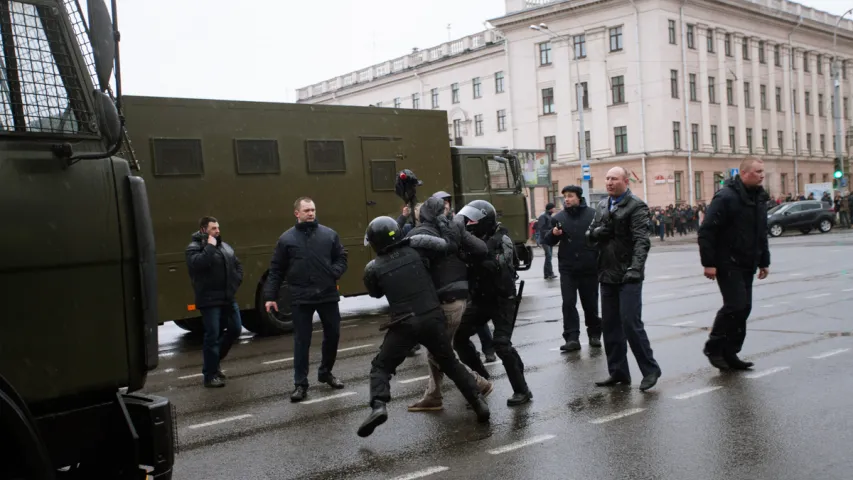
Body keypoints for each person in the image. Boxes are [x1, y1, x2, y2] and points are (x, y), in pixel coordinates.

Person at [358, 216, 490, 437]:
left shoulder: (374, 268)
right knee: (449, 361)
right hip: (432, 317)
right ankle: (477, 402)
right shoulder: (417, 252)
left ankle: (379, 405)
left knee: (381, 367)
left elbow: (375, 292)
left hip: (404, 323)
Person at [405, 196, 494, 412]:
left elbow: (413, 269)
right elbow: (481, 249)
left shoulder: (419, 234)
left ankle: (478, 383)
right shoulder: (454, 228)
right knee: (437, 348)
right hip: (460, 297)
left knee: (441, 353)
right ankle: (433, 395)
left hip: (442, 301)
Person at [263, 197, 348, 402]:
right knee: (302, 341)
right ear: (297, 214)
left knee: (333, 334)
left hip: (327, 294)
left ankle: (325, 372)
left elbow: (342, 257)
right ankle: (300, 385)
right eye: (307, 210)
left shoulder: (329, 235)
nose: (311, 213)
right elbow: (276, 270)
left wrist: (333, 272)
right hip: (301, 297)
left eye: (313, 210)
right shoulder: (286, 239)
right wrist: (270, 296)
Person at [587, 167, 661, 392]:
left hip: (628, 274)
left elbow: (641, 241)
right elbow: (589, 235)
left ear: (625, 182)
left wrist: (635, 268)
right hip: (607, 273)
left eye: (614, 179)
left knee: (630, 323)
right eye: (607, 178)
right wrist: (596, 233)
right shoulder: (601, 205)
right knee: (610, 326)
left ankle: (650, 371)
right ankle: (618, 372)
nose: (609, 182)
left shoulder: (636, 206)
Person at [454, 200, 533, 406]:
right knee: (459, 336)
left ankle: (522, 390)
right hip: (481, 299)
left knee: (501, 344)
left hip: (502, 299)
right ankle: (480, 380)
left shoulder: (502, 240)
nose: (469, 223)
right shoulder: (474, 239)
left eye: (473, 220)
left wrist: (472, 256)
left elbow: (495, 266)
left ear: (484, 220)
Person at [698, 157, 770, 370]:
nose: (762, 175)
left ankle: (731, 352)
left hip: (748, 260)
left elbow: (760, 232)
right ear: (745, 173)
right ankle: (714, 347)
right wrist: (708, 263)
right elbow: (707, 231)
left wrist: (764, 261)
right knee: (735, 305)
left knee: (744, 308)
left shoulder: (758, 197)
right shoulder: (726, 197)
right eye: (758, 171)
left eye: (762, 171)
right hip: (727, 262)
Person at [185, 216, 243, 388]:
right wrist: (209, 246)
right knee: (213, 334)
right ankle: (210, 375)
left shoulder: (225, 246)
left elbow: (237, 266)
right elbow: (198, 265)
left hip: (227, 298)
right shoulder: (193, 249)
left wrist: (234, 284)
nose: (217, 231)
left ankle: (213, 362)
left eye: (218, 228)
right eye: (213, 229)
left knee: (235, 329)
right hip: (209, 300)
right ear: (204, 230)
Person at [542, 185, 602, 351]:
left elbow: (602, 237)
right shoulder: (559, 217)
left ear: (579, 197)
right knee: (568, 303)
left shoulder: (592, 215)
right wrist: (553, 234)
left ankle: (594, 334)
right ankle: (571, 338)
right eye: (565, 197)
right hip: (568, 268)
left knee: (590, 303)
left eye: (570, 196)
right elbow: (547, 240)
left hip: (589, 266)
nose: (567, 199)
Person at [537, 203, 558, 280]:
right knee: (548, 256)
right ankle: (549, 273)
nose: (555, 209)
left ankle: (547, 274)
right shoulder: (543, 216)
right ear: (550, 209)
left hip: (549, 239)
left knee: (548, 257)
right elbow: (541, 228)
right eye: (553, 208)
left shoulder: (549, 216)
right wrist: (551, 231)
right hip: (545, 239)